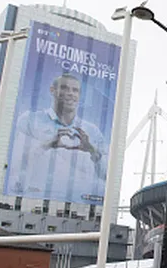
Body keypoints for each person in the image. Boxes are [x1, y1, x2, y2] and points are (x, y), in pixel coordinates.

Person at [6, 74, 108, 202]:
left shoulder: (92, 131)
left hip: (80, 203)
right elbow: (13, 164)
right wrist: (46, 145)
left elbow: (107, 177)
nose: (70, 94)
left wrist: (92, 150)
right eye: (64, 88)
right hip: (29, 198)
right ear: (52, 90)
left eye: (75, 90)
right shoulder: (29, 121)